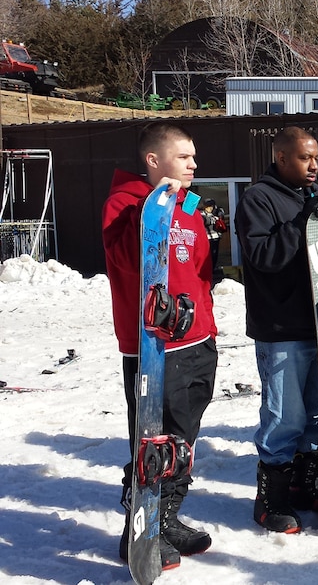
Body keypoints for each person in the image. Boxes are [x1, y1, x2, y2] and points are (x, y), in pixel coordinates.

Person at [234, 126, 318, 533]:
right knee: (284, 417)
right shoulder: (259, 198)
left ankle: (306, 484)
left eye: (317, 159)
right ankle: (270, 499)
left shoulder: (314, 198)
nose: (314, 166)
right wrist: (305, 223)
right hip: (281, 327)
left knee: (315, 416)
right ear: (282, 157)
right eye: (305, 158)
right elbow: (262, 256)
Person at [102, 122, 217, 569]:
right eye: (184, 156)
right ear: (154, 161)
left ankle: (167, 515)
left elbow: (197, 273)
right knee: (153, 440)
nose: (194, 164)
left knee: (183, 440)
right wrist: (154, 207)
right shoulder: (127, 203)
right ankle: (139, 526)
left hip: (197, 339)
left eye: (193, 156)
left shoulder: (188, 205)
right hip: (152, 347)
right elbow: (129, 261)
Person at [200, 198, 227, 270]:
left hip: (215, 236)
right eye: (208, 206)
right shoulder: (201, 214)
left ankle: (213, 268)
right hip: (206, 237)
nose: (210, 208)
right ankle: (209, 269)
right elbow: (204, 222)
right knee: (207, 254)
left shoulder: (216, 213)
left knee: (214, 254)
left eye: (211, 206)